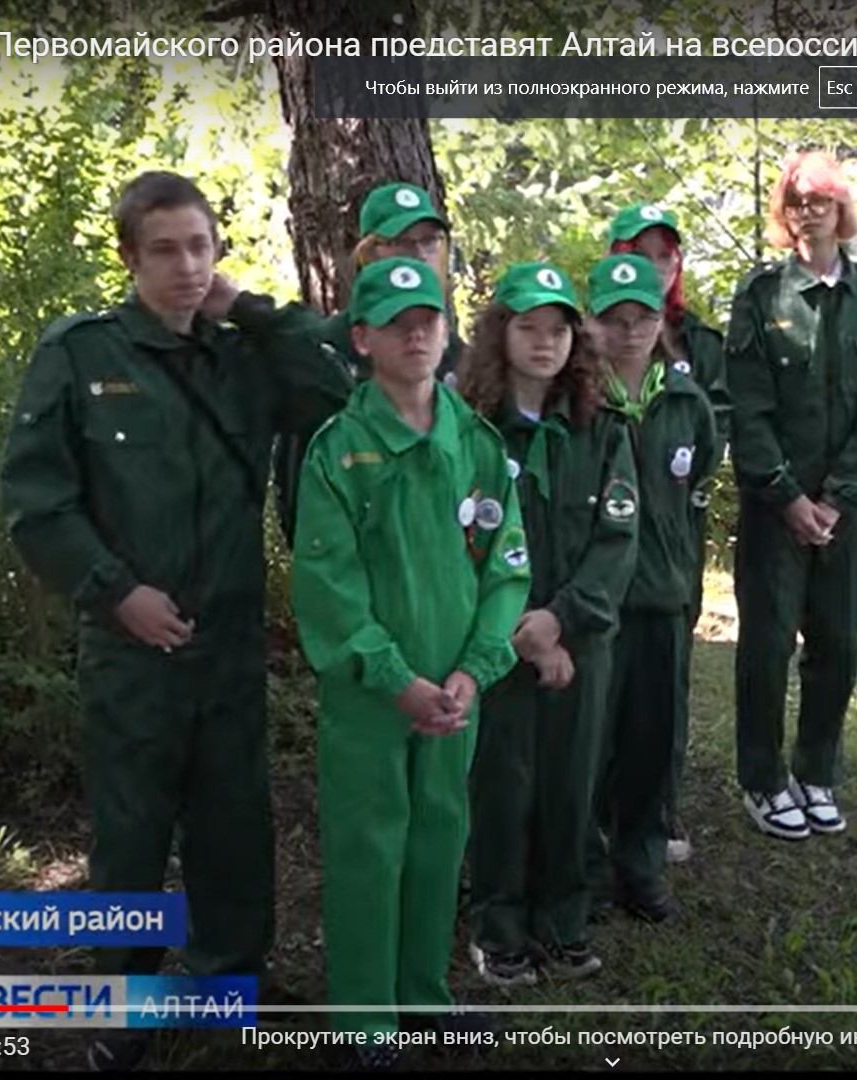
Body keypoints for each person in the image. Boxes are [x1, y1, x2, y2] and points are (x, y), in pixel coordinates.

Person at [0, 171, 301, 1071]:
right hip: (131, 646)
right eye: (164, 249)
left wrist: (257, 312)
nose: (186, 266)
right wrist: (115, 592)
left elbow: (346, 371)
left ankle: (225, 987)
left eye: (201, 246)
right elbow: (34, 501)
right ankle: (122, 1010)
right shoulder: (81, 355)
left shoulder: (243, 358)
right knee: (131, 831)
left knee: (236, 824)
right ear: (130, 259)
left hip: (232, 642)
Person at [291, 257, 532, 1069]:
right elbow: (330, 589)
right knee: (370, 842)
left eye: (429, 317)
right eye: (396, 323)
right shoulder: (339, 450)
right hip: (373, 698)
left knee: (438, 837)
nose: (418, 332)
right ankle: (365, 1018)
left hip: (454, 694)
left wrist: (473, 671)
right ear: (361, 339)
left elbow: (506, 566)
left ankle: (423, 995)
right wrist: (397, 680)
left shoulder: (478, 442)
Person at [458, 262, 639, 988]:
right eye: (527, 327)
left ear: (576, 339)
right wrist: (516, 629)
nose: (543, 342)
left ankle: (563, 920)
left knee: (571, 782)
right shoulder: (468, 431)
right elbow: (457, 545)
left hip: (577, 647)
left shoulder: (602, 432)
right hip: (496, 646)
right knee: (501, 781)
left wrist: (559, 622)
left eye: (558, 328)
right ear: (500, 335)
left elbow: (616, 541)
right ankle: (498, 925)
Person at [724, 151, 857, 839]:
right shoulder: (761, 294)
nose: (808, 211)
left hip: (846, 515)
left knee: (838, 643)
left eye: (820, 200)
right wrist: (788, 497)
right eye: (796, 200)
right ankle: (763, 781)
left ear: (841, 210)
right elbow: (749, 407)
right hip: (776, 513)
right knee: (766, 648)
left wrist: (839, 498)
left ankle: (816, 772)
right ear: (783, 212)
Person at [591, 254, 719, 921]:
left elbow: (695, 489)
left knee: (650, 742)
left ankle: (639, 864)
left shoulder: (687, 403)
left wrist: (680, 580)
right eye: (613, 319)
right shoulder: (580, 401)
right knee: (588, 744)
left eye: (640, 316)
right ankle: (580, 865)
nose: (628, 330)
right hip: (595, 604)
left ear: (658, 320)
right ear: (592, 324)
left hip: (663, 601)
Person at [267, 180, 464, 549]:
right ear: (369, 253)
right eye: (404, 241)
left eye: (430, 241)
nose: (420, 254)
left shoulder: (456, 358)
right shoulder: (324, 350)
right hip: (342, 563)